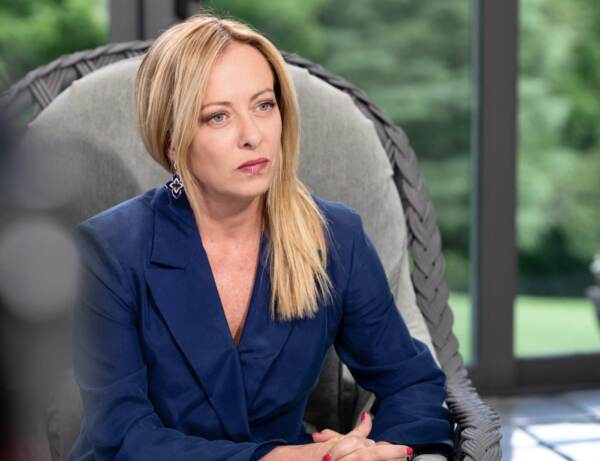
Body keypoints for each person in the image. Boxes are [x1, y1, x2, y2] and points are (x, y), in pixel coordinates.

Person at [68, 12, 454, 461]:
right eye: (217, 117)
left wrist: (380, 450)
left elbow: (410, 382)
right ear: (172, 140)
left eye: (264, 105)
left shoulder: (335, 238)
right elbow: (123, 435)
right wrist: (288, 459)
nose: (253, 135)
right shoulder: (107, 250)